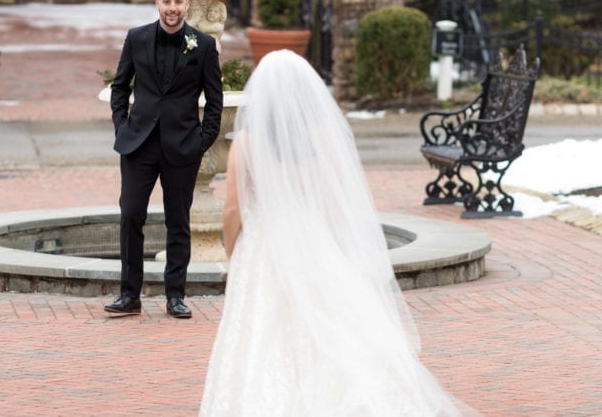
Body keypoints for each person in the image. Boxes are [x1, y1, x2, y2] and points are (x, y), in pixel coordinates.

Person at [199, 50, 470, 415]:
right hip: (311, 239)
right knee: (325, 324)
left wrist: (233, 251)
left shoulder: (246, 143)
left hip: (264, 246)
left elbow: (233, 208)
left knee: (264, 330)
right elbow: (332, 199)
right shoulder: (319, 140)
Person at [105, 0, 223, 319]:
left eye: (178, 2)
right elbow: (119, 88)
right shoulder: (136, 38)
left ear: (187, 5)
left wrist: (201, 142)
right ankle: (130, 295)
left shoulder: (202, 46)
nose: (172, 8)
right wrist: (122, 125)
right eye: (166, 1)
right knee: (130, 215)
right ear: (157, 3)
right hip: (139, 144)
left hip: (181, 147)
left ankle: (175, 296)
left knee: (178, 222)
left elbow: (214, 102)